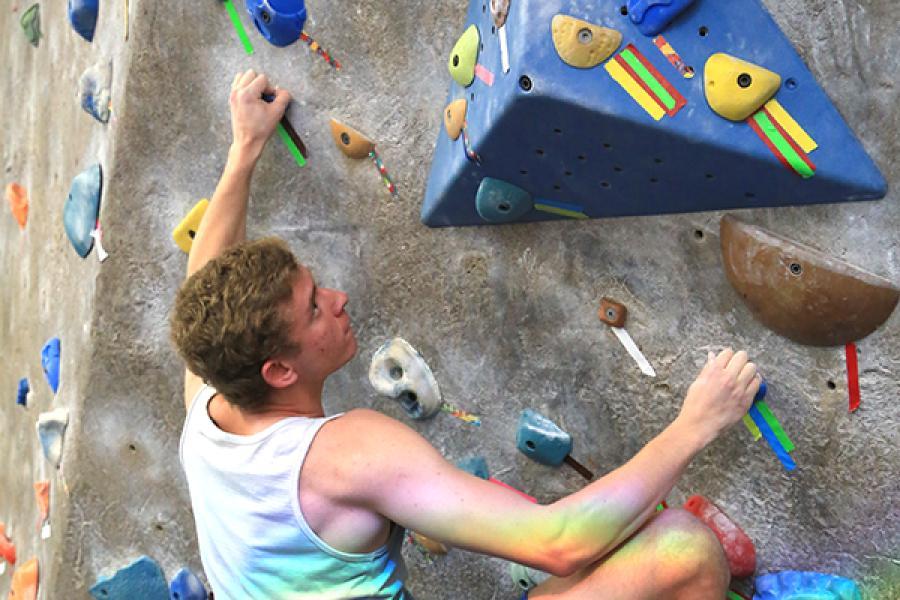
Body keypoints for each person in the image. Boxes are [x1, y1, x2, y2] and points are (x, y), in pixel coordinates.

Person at [170, 69, 761, 600]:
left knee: (608, 554)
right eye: (314, 308)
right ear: (279, 370)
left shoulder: (212, 403)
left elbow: (203, 273)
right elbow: (558, 541)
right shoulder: (343, 457)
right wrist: (695, 425)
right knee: (683, 549)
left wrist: (245, 149)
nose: (338, 299)